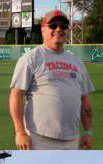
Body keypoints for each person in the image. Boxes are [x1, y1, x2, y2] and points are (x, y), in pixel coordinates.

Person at [9, 10, 94, 150]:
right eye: (53, 25)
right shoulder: (31, 58)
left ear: (68, 30)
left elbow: (85, 99)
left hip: (72, 137)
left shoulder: (77, 62)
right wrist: (20, 132)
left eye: (63, 25)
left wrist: (88, 131)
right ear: (43, 30)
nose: (58, 29)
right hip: (39, 138)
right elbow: (15, 95)